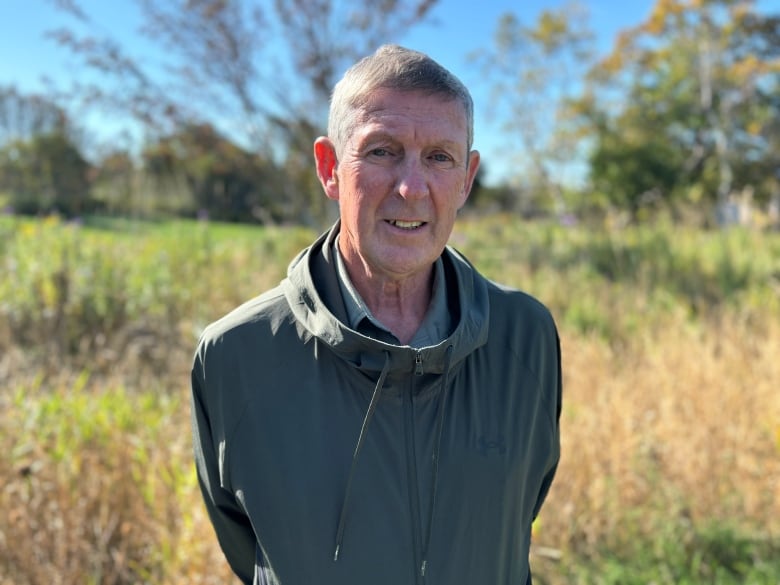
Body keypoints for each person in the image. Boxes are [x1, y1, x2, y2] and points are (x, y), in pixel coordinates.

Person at [190, 44, 562, 585]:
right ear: (330, 168)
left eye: (439, 157)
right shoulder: (236, 354)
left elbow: (517, 513)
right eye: (383, 151)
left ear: (466, 179)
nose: (411, 188)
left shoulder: (524, 337)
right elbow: (248, 544)